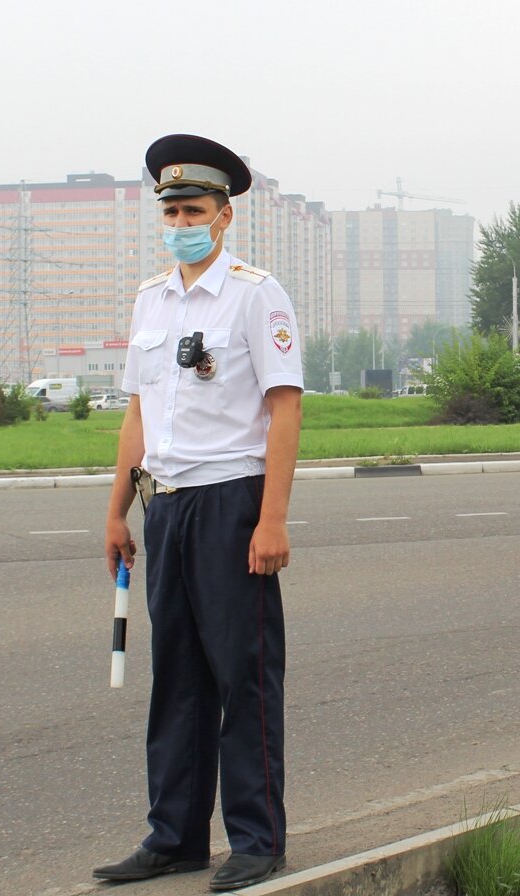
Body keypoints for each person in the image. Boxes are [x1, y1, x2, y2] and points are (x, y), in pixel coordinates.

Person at [94, 134, 303, 891]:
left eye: (195, 208)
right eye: (172, 208)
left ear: (224, 217)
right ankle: (174, 835)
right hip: (168, 506)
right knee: (176, 678)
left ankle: (257, 839)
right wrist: (117, 510)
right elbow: (138, 415)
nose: (182, 218)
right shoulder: (152, 298)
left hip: (232, 502)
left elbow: (283, 410)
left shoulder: (255, 293)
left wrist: (271, 520)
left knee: (241, 675)